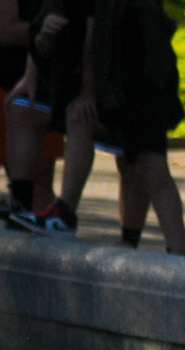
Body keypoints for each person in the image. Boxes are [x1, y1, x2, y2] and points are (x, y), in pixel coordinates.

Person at [89, 0, 185, 252]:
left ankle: (179, 249)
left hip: (139, 70)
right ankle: (130, 237)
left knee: (151, 165)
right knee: (132, 162)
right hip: (132, 65)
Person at [7, 0, 96, 234]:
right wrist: (29, 76)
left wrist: (88, 91)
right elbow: (39, 34)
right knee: (22, 108)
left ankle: (65, 213)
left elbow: (93, 35)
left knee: (77, 117)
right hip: (63, 76)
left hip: (104, 79)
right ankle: (21, 204)